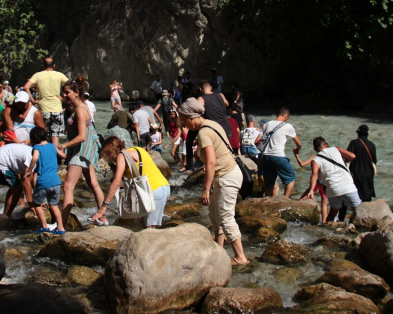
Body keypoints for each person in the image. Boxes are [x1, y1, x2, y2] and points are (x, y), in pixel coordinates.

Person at [178, 98, 248, 266]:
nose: (184, 125)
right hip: (229, 173)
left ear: (192, 116)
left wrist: (205, 189)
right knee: (215, 215)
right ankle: (219, 250)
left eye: (184, 120)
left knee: (225, 216)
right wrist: (199, 155)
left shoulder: (203, 132)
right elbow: (218, 151)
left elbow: (211, 162)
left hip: (226, 176)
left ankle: (240, 257)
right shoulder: (213, 123)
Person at [56, 81, 107, 226]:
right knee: (93, 183)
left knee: (67, 186)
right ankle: (102, 217)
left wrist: (64, 145)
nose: (64, 95)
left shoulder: (80, 110)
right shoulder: (81, 107)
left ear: (76, 92)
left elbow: (82, 136)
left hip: (81, 151)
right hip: (86, 150)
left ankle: (61, 226)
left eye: (67, 92)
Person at [95, 136, 171, 228]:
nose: (108, 159)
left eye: (107, 155)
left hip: (154, 191)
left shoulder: (121, 156)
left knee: (150, 229)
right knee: (145, 223)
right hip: (162, 187)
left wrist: (104, 206)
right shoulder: (136, 149)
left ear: (110, 152)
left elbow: (116, 182)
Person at [298, 137, 360, 224]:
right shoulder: (336, 149)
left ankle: (326, 230)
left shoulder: (315, 160)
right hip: (348, 187)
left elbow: (314, 174)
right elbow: (353, 156)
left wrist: (311, 190)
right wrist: (343, 160)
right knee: (357, 211)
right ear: (325, 144)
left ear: (315, 149)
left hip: (333, 190)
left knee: (333, 212)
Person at [23, 57, 69, 149]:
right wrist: (63, 98)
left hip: (43, 110)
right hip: (57, 109)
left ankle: (45, 155)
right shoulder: (59, 75)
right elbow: (71, 85)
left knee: (44, 136)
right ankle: (56, 158)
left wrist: (33, 100)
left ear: (43, 66)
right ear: (54, 65)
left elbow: (26, 87)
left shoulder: (37, 75)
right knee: (55, 136)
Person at [27, 127, 65, 234]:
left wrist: (29, 170)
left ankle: (44, 226)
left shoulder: (36, 148)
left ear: (33, 138)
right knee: (54, 205)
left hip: (43, 181)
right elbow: (62, 155)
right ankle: (61, 228)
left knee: (37, 203)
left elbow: (34, 158)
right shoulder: (52, 146)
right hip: (56, 181)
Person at [258, 107, 302, 197]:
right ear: (286, 116)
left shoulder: (267, 124)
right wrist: (297, 149)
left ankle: (268, 202)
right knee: (291, 179)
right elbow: (299, 143)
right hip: (279, 156)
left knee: (269, 184)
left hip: (266, 157)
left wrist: (262, 155)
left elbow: (257, 141)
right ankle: (285, 200)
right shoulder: (287, 126)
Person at [0, 142, 33, 220]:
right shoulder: (32, 158)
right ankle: (6, 216)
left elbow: (34, 182)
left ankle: (5, 214)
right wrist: (32, 205)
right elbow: (27, 182)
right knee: (18, 189)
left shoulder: (36, 154)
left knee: (14, 188)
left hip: (0, 158)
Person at [345, 124, 377, 204]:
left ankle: (355, 210)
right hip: (368, 170)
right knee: (367, 191)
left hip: (355, 170)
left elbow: (348, 156)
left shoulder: (353, 143)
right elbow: (374, 160)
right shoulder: (372, 145)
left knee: (356, 191)